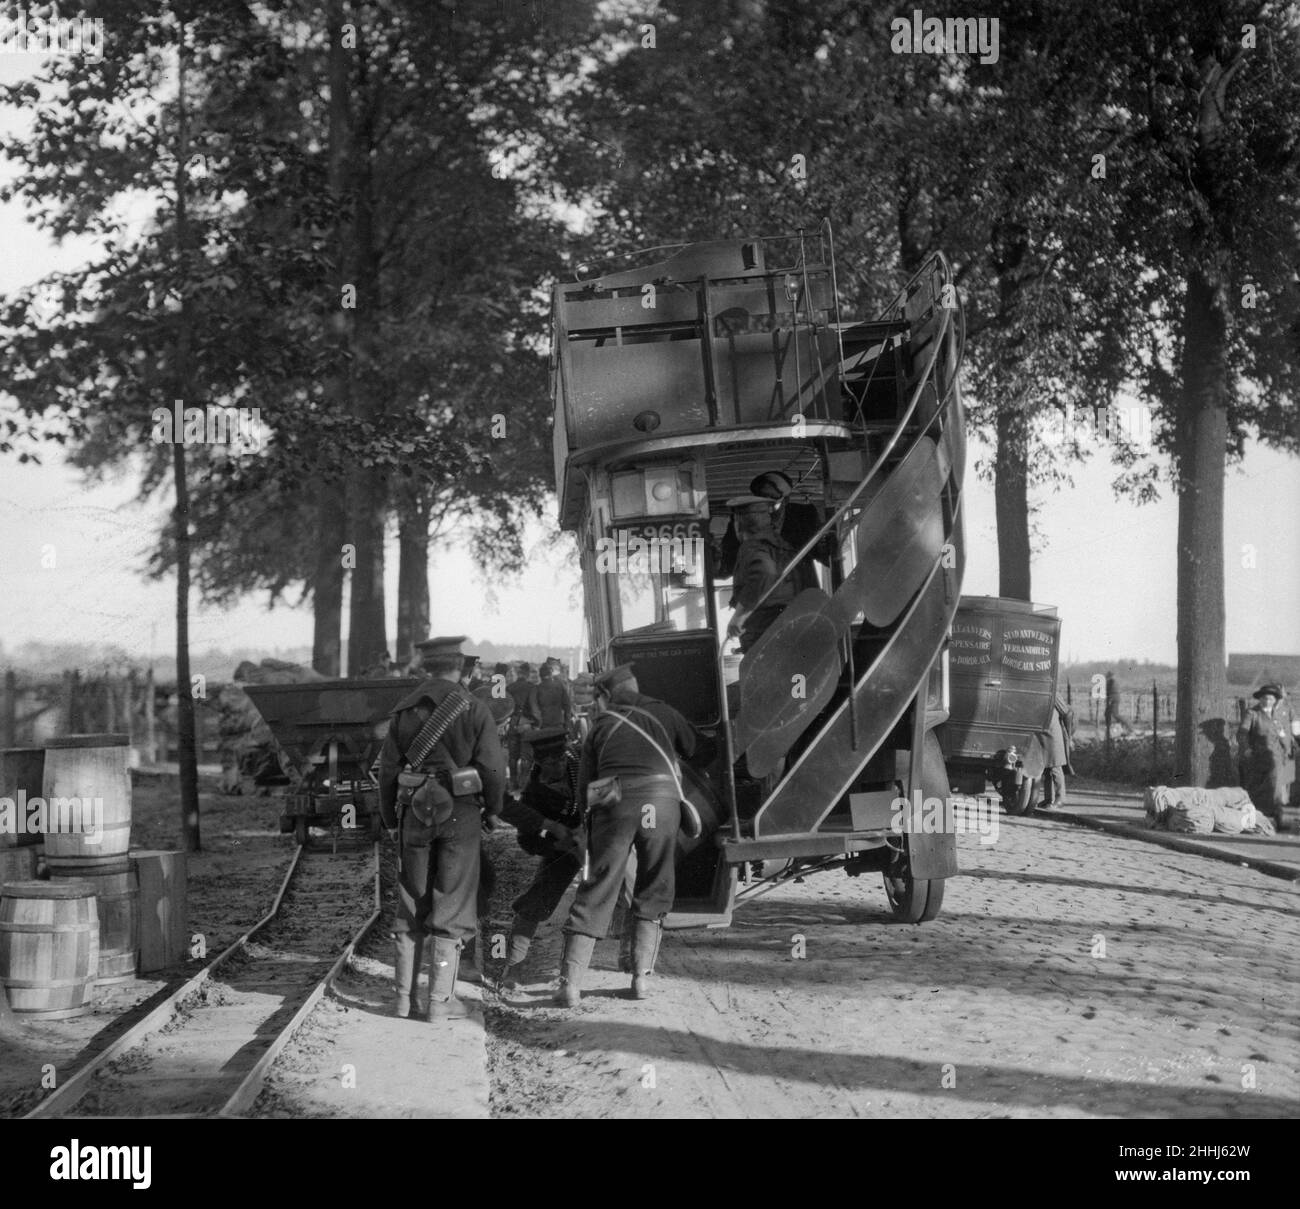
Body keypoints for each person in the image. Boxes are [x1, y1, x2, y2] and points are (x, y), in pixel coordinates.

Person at [377, 636, 506, 1020]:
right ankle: (438, 1004)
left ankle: (402, 1001)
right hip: (460, 814)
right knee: (452, 905)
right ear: (460, 667)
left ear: (426, 667)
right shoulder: (475, 708)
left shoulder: (402, 711)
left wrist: (389, 818)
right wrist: (493, 811)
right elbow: (493, 770)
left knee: (410, 901)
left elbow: (386, 771)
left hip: (413, 814)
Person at [554, 663, 696, 1007]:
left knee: (599, 886)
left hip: (614, 800)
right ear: (635, 686)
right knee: (655, 883)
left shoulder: (601, 724)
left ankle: (570, 986)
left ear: (606, 695)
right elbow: (693, 747)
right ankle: (640, 980)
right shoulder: (665, 712)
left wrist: (589, 825)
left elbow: (587, 786)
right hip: (661, 802)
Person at [497, 727, 586, 990]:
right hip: (564, 850)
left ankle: (630, 956)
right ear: (538, 762)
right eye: (549, 763)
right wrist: (556, 844)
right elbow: (527, 840)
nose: (557, 766)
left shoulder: (583, 767)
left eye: (560, 760)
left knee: (626, 887)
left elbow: (610, 794)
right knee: (536, 900)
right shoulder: (532, 793)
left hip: (599, 840)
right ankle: (514, 967)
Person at [724, 495, 816, 654]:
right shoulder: (783, 547)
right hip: (791, 625)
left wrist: (739, 616)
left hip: (764, 629)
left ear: (738, 524)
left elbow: (765, 573)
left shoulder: (752, 547)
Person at [1237, 684, 1295, 825]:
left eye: (1270, 699)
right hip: (1258, 756)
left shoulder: (1279, 714)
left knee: (1275, 787)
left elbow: (1286, 734)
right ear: (1260, 699)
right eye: (1264, 698)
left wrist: (1287, 748)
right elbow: (1242, 733)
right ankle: (1256, 819)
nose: (1267, 701)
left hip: (1276, 758)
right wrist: (1246, 748)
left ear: (1275, 700)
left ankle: (1277, 817)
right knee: (1256, 788)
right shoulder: (1253, 713)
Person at [507, 662, 542, 790]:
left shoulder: (510, 687)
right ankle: (523, 785)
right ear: (527, 674)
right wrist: (537, 723)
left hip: (512, 722)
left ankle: (512, 783)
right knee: (526, 756)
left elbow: (506, 706)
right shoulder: (531, 687)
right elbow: (533, 707)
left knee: (513, 756)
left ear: (519, 673)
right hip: (526, 723)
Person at [1037, 694, 1075, 810]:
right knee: (1046, 767)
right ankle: (1049, 798)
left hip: (1053, 733)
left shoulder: (1054, 692)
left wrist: (1069, 736)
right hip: (1042, 733)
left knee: (1055, 766)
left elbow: (1067, 713)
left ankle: (1060, 799)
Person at [536, 660, 574, 732]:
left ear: (540, 676)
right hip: (558, 723)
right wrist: (567, 724)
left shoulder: (537, 689)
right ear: (551, 674)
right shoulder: (559, 686)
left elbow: (534, 709)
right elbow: (567, 706)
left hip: (544, 725)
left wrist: (537, 724)